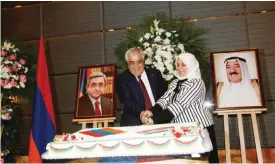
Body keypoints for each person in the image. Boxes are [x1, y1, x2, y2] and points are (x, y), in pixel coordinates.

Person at [140, 53, 219, 163]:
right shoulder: (175, 82)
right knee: (184, 160)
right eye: (177, 65)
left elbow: (179, 105)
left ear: (191, 65)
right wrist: (150, 112)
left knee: (205, 160)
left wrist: (154, 120)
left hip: (200, 127)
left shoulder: (197, 83)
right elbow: (164, 99)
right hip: (181, 128)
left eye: (183, 65)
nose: (179, 68)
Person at [115, 47, 168, 126]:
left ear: (144, 61)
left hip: (157, 120)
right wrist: (142, 113)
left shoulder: (155, 74)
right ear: (127, 64)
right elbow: (128, 101)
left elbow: (164, 97)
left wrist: (154, 114)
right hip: (134, 122)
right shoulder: (122, 79)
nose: (136, 66)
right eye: (132, 63)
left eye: (139, 62)